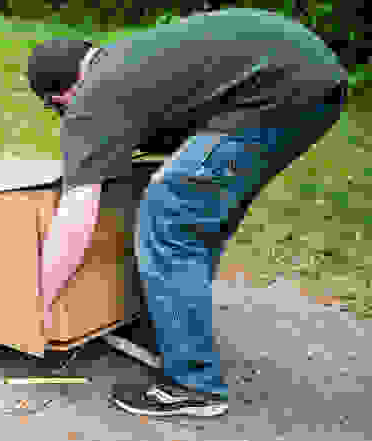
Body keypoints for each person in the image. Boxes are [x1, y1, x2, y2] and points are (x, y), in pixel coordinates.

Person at [26, 8, 347, 417]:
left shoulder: (93, 97)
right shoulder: (130, 61)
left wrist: (38, 303)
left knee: (170, 213)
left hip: (274, 92)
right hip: (311, 81)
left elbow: (76, 216)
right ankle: (166, 331)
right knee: (197, 211)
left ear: (61, 98)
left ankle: (192, 383)